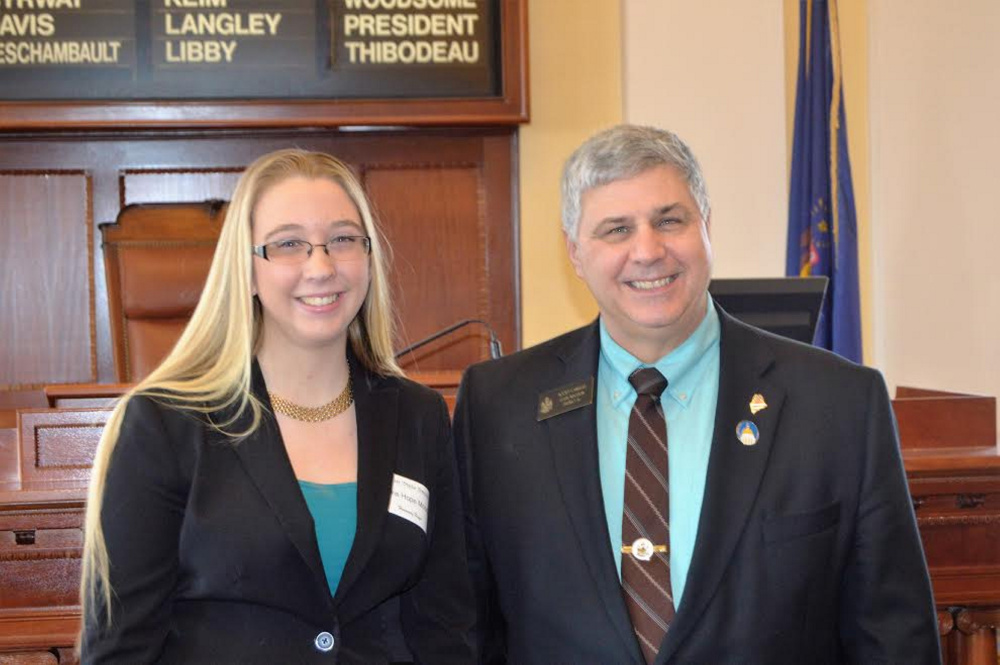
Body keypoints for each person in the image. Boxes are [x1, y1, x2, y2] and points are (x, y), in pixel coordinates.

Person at [453, 125, 940, 664]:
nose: (647, 251)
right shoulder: (496, 407)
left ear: (706, 226)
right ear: (574, 252)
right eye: (616, 230)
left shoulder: (841, 404)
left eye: (670, 220)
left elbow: (896, 640)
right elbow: (469, 631)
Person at [80, 149, 475, 664]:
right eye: (289, 244)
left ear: (369, 259)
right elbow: (121, 649)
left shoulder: (419, 417)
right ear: (244, 271)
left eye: (342, 239)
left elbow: (447, 630)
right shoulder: (165, 424)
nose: (322, 266)